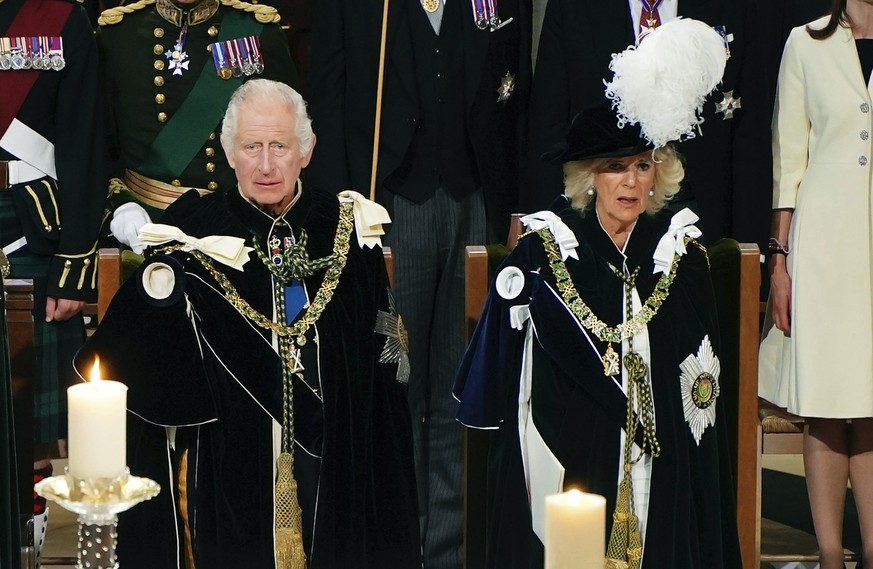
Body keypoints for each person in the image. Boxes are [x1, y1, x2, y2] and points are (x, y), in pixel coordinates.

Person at [75, 79, 420, 568]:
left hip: (337, 467)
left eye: (279, 146)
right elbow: (133, 372)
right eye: (251, 147)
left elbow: (384, 378)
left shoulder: (347, 231)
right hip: (225, 473)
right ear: (228, 152)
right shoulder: (188, 234)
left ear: (306, 150)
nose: (265, 164)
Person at [453, 104, 741, 568]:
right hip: (572, 461)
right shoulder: (546, 253)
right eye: (614, 167)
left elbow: (699, 390)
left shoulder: (681, 259)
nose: (630, 182)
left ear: (658, 174)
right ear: (589, 176)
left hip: (660, 468)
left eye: (642, 166)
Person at [307, 2, 531, 567]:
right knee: (394, 386)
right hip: (386, 214)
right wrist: (341, 216)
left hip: (474, 205)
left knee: (461, 386)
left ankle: (452, 552)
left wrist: (518, 206)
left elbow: (517, 100)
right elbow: (327, 104)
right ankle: (397, 546)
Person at [759, 1, 873, 566]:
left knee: (872, 400)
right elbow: (788, 158)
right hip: (824, 244)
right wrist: (778, 261)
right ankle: (830, 555)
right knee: (827, 400)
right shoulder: (805, 43)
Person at [525, 0, 772, 250]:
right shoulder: (572, 7)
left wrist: (751, 250)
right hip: (594, 227)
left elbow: (751, 135)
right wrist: (542, 237)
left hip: (703, 223)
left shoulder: (737, 6)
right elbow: (548, 126)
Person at [0, 0, 104, 559]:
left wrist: (74, 265)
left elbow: (86, 143)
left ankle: (28, 526)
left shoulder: (59, 17)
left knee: (29, 407)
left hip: (29, 224)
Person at [97, 0, 298, 253]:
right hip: (145, 226)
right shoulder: (119, 33)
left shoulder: (257, 31)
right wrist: (120, 204)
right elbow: (96, 143)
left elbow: (289, 137)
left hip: (236, 231)